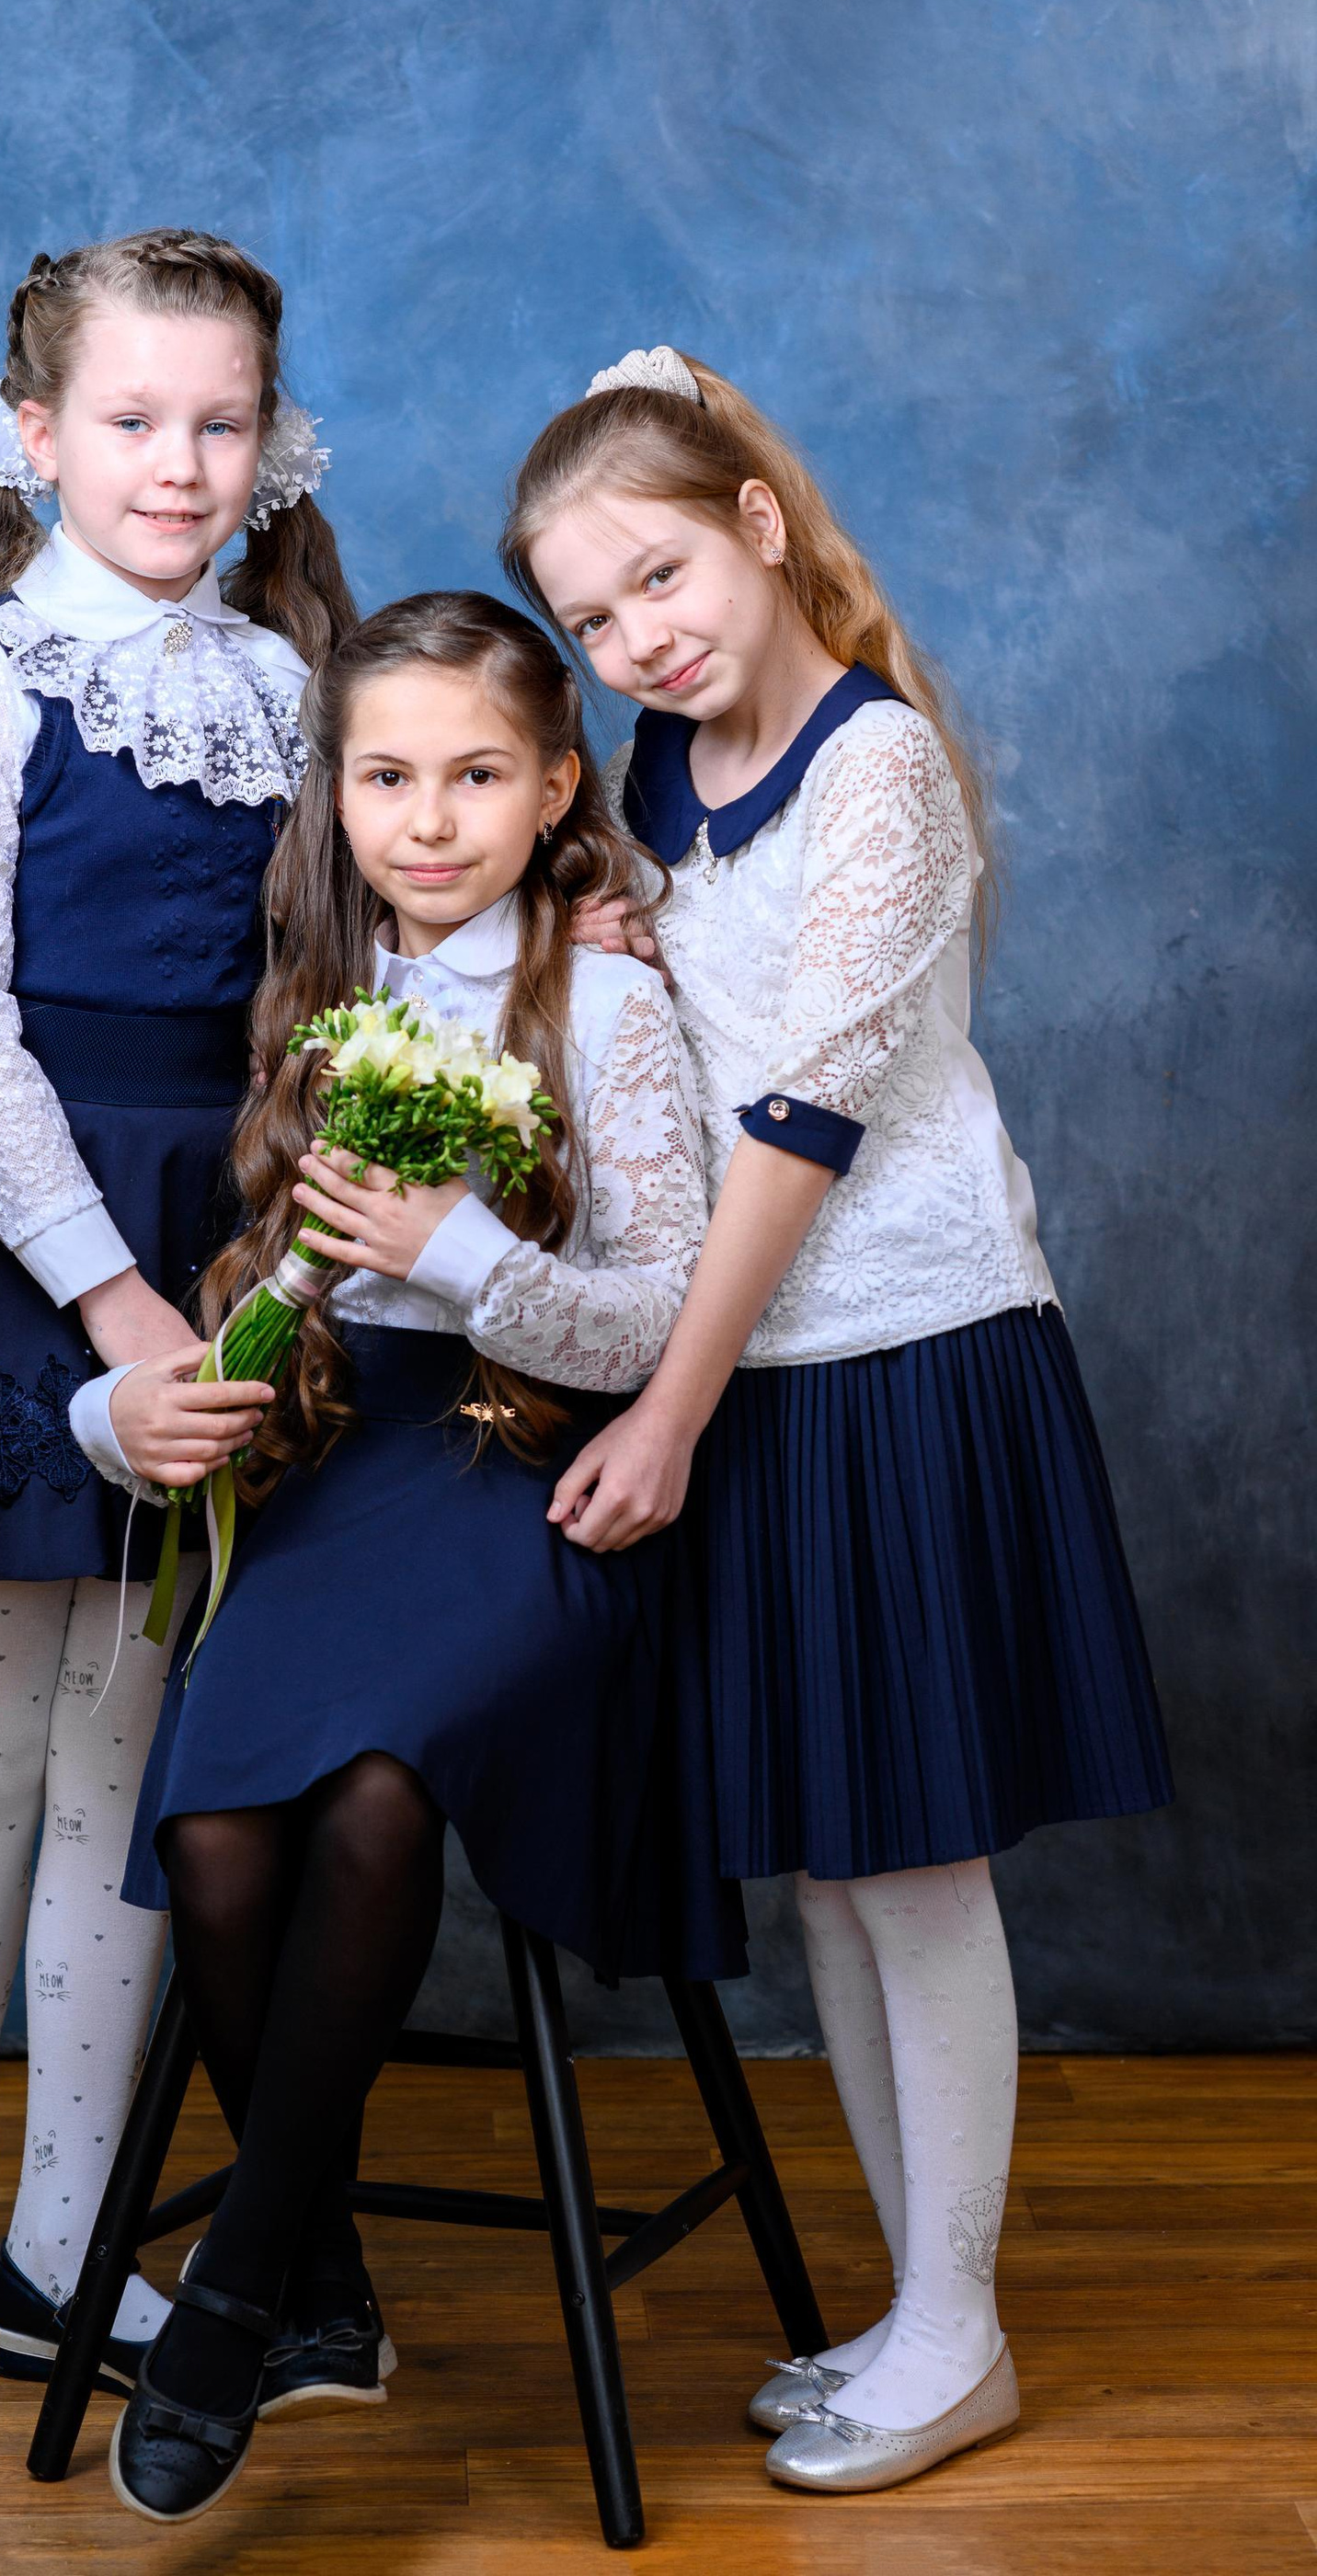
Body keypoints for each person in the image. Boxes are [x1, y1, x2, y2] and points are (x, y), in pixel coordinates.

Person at [501, 345, 1172, 2492]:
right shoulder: (662, 762)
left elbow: (799, 1127)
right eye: (591, 617)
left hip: (899, 1351)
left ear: (760, 524)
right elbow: (677, 1035)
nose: (637, 637)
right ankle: (914, 2303)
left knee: (911, 1860)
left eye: (662, 576)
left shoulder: (878, 765)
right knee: (828, 1873)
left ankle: (962, 2332)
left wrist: (665, 1412)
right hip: (758, 1362)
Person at [69, 590, 747, 2524]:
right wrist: (132, 1409)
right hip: (343, 1467)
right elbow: (278, 1293)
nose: (429, 821)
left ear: (556, 790)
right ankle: (328, 2282)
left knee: (375, 1792)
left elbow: (665, 1316)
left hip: (526, 1474)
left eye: (475, 777)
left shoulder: (607, 1002)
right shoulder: (324, 989)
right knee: (216, 1830)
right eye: (386, 779)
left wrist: (464, 1257)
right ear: (337, 796)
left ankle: (242, 2291)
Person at [0, 229, 355, 2390]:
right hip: (21, 1247)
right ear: (37, 436)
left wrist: (262, 1272)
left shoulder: (297, 689)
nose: (179, 467)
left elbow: (348, 976)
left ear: (272, 441)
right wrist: (115, 1308)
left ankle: (66, 2240)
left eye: (220, 424)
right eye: (131, 421)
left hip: (222, 1235)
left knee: (134, 1747)